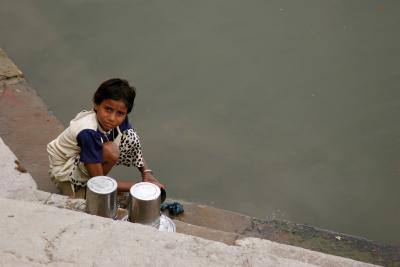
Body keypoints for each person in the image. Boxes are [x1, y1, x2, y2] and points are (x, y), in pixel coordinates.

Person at [47, 78, 164, 199]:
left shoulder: (120, 119)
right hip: (63, 170)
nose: (112, 118)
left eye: (120, 113)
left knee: (130, 136)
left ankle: (96, 184)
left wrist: (146, 172)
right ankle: (85, 189)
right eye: (108, 109)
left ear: (125, 113)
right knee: (110, 152)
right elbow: (99, 181)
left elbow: (134, 148)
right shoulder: (88, 132)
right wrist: (140, 186)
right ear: (96, 105)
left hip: (85, 157)